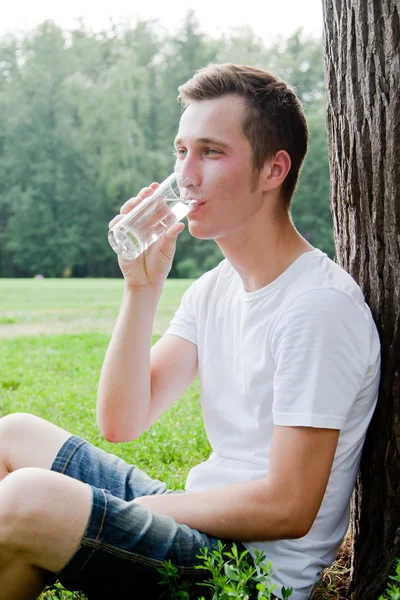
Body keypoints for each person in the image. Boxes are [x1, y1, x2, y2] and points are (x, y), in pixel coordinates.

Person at [0, 64, 380, 600]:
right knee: (12, 434)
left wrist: (134, 512)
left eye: (211, 152)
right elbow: (122, 420)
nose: (187, 175)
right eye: (182, 152)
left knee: (28, 497)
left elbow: (289, 508)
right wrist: (141, 290)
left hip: (246, 573)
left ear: (273, 171)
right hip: (201, 525)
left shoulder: (318, 306)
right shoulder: (213, 288)